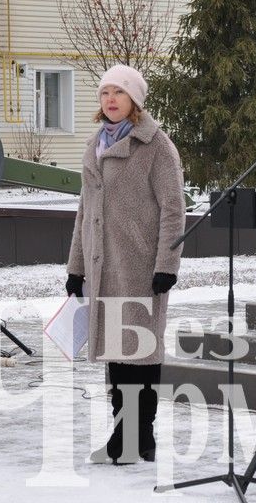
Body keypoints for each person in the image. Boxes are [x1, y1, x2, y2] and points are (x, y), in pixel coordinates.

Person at [65, 64, 186, 465]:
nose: (111, 99)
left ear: (135, 100)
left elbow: (173, 209)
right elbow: (85, 211)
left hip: (139, 267)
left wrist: (167, 264)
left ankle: (139, 438)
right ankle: (124, 437)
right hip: (103, 267)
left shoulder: (156, 146)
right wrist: (76, 267)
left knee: (141, 353)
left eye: (119, 92)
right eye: (105, 93)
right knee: (116, 357)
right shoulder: (94, 144)